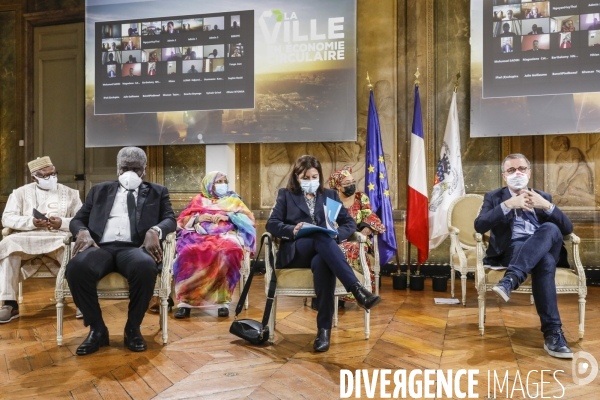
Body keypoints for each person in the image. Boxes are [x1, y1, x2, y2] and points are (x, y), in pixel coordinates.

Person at [65, 147, 176, 355]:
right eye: (126, 168)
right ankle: (97, 329)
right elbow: (78, 219)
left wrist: (155, 230)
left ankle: (132, 329)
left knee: (145, 267)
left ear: (145, 169)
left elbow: (170, 219)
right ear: (118, 169)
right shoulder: (99, 190)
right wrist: (82, 231)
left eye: (136, 169)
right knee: (76, 267)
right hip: (101, 247)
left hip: (135, 248)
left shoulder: (157, 191)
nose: (130, 173)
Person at [266, 155, 381, 352]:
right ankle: (357, 289)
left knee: (323, 262)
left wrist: (337, 236)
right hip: (296, 251)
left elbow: (349, 223)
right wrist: (292, 230)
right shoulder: (285, 195)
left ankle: (323, 332)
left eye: (314, 176)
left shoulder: (330, 195)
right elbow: (272, 224)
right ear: (296, 176)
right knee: (321, 238)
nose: (311, 181)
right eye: (306, 177)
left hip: (323, 251)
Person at [474, 154, 574, 359]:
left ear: (529, 172)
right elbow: (479, 225)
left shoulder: (542, 196)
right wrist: (508, 205)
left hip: (546, 243)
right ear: (504, 176)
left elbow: (567, 228)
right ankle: (553, 333)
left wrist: (546, 205)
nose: (517, 173)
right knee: (544, 261)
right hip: (514, 249)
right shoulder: (494, 197)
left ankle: (511, 279)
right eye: (511, 170)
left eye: (521, 168)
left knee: (549, 227)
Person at [0, 157, 82, 324]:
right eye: (45, 176)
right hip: (28, 237)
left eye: (53, 174)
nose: (51, 178)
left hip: (58, 237)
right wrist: (31, 222)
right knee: (7, 245)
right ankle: (9, 304)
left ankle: (81, 301)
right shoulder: (19, 193)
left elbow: (81, 219)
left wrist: (62, 223)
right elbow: (7, 218)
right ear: (34, 177)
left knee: (72, 248)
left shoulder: (71, 194)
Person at [172, 172, 256, 319]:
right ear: (209, 184)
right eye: (219, 182)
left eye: (225, 181)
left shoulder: (233, 200)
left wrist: (228, 216)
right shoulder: (198, 200)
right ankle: (186, 303)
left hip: (226, 234)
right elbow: (180, 221)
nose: (223, 184)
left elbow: (249, 219)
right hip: (198, 235)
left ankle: (222, 302)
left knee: (228, 251)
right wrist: (199, 217)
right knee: (187, 251)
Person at [328, 167, 385, 303]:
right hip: (338, 238)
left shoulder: (361, 198)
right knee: (338, 250)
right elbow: (329, 223)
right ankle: (337, 293)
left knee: (354, 248)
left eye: (352, 182)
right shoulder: (332, 200)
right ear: (338, 186)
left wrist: (365, 229)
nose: (351, 185)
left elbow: (370, 215)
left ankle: (360, 291)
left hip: (359, 238)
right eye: (347, 184)